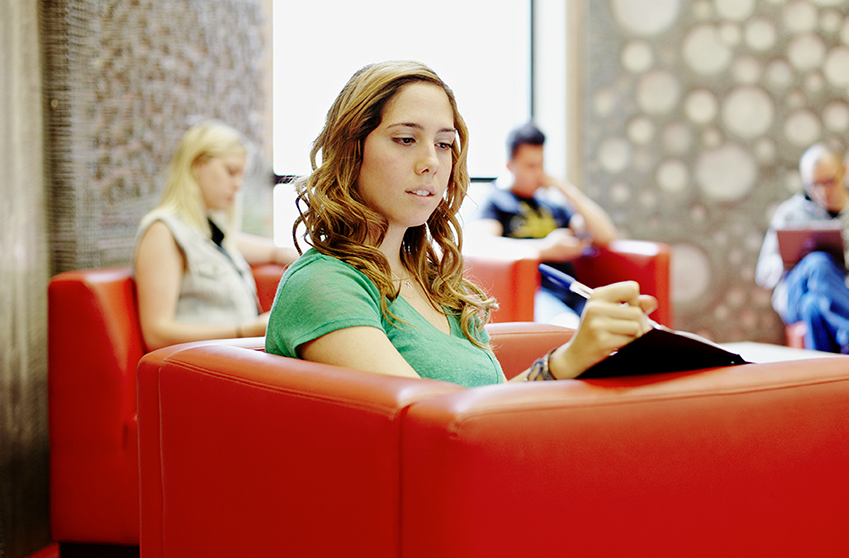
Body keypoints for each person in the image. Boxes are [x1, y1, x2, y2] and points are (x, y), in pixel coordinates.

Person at [265, 61, 656, 386]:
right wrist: (565, 362)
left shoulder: (439, 285)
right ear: (352, 150)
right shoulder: (322, 284)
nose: (431, 162)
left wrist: (584, 359)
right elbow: (434, 426)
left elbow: (490, 411)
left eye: (444, 144)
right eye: (405, 139)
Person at [134, 120, 297, 351]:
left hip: (238, 358)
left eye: (242, 175)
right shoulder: (163, 231)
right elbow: (156, 334)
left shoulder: (212, 235)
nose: (239, 185)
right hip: (208, 366)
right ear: (197, 165)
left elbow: (274, 251)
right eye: (231, 172)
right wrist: (247, 330)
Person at [754, 142, 849, 359]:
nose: (822, 191)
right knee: (818, 263)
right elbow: (764, 273)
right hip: (796, 294)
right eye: (813, 185)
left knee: (814, 307)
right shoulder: (789, 214)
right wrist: (793, 258)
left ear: (844, 171)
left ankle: (828, 385)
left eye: (829, 181)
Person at [466, 123, 618, 326]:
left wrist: (566, 189)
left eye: (541, 165)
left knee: (619, 325)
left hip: (570, 288)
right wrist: (546, 249)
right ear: (510, 166)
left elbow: (606, 235)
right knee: (569, 325)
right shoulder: (497, 201)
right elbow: (480, 244)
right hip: (535, 293)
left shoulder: (553, 205)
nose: (538, 173)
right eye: (530, 166)